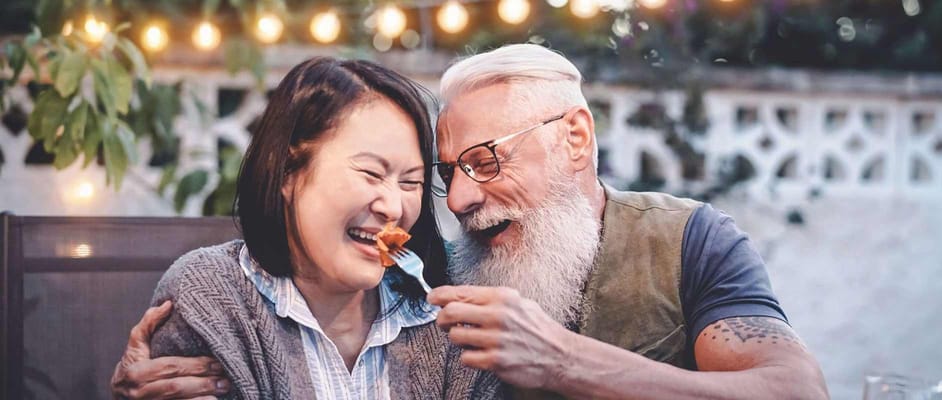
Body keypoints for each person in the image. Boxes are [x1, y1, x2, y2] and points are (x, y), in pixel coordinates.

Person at [113, 45, 829, 399]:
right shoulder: (441, 285)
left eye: (484, 161)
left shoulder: (689, 240)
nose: (453, 201)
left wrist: (565, 361)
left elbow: (795, 393)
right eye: (448, 174)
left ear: (575, 138)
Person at [109, 57, 499, 399]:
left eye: (410, 183)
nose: (393, 207)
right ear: (289, 172)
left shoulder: (451, 306)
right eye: (370, 173)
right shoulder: (211, 298)